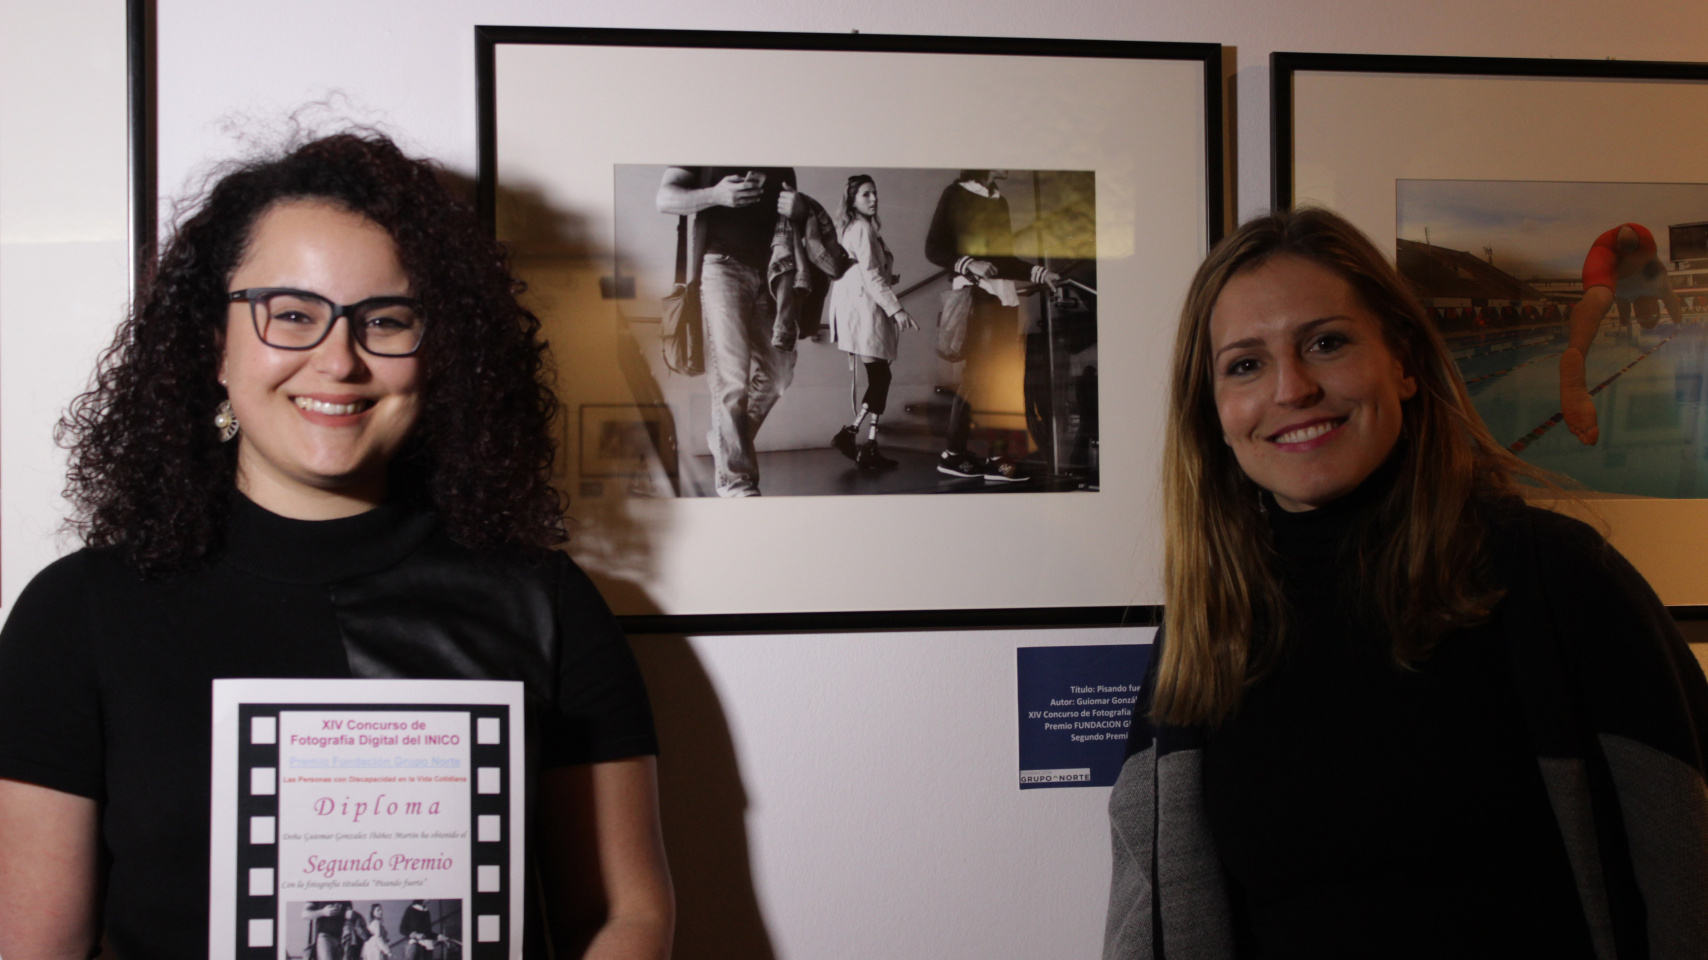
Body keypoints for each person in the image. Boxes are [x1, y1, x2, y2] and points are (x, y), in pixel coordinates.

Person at [0, 133, 673, 959]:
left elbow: (624, 917)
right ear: (214, 341)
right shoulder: (79, 614)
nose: (338, 360)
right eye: (290, 314)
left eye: (387, 320)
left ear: (439, 354)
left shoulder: (546, 599)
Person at [1104, 207, 1708, 959]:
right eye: (1246, 364)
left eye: (1327, 343)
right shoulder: (1204, 632)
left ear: (1405, 363)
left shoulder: (1561, 584)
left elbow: (1691, 861)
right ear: (1215, 412)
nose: (1291, 389)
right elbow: (1146, 913)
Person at [656, 166, 833, 496]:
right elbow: (664, 198)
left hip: (773, 274)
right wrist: (716, 194)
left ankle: (725, 442)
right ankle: (736, 482)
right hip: (721, 266)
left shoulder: (780, 161)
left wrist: (800, 209)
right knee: (731, 379)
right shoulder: (701, 148)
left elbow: (794, 229)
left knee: (780, 374)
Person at [924, 169, 1059, 482]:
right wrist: (969, 263)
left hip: (1001, 299)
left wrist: (1041, 273)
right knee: (986, 377)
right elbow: (933, 247)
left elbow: (1004, 259)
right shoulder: (955, 194)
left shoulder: (1000, 201)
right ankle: (994, 457)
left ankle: (956, 454)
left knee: (988, 378)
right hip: (975, 297)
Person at [1559, 222, 1687, 445]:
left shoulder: (1628, 300)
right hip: (1637, 249)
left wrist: (1628, 319)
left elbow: (1627, 312)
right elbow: (1671, 301)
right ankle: (1575, 353)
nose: (1643, 314)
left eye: (1642, 319)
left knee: (1598, 298)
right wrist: (1678, 321)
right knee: (1604, 293)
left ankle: (1576, 353)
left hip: (1605, 253)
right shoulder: (1658, 282)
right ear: (1657, 309)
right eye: (1649, 317)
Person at [828, 175, 917, 470]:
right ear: (852, 199)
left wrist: (889, 278)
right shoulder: (863, 228)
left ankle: (861, 440)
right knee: (881, 377)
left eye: (875, 193)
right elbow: (869, 274)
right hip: (864, 312)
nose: (873, 199)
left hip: (861, 308)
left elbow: (865, 271)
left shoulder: (855, 227)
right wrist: (897, 310)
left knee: (880, 377)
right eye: (866, 194)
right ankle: (858, 439)